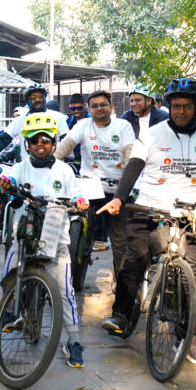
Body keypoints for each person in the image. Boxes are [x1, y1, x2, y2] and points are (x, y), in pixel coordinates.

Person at [97, 77, 196, 367]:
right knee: (135, 258)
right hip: (149, 208)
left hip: (191, 215)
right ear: (169, 107)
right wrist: (119, 198)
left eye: (187, 106)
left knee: (188, 279)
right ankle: (121, 314)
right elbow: (133, 167)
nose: (181, 111)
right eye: (176, 106)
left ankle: (186, 336)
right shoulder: (152, 134)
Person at [0, 113, 89, 367]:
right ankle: (10, 311)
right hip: (24, 235)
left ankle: (73, 340)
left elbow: (77, 194)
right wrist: (5, 182)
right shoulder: (21, 167)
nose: (40, 144)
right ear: (27, 145)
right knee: (9, 274)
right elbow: (9, 178)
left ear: (54, 143)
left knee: (65, 291)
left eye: (46, 140)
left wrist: (79, 201)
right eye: (34, 140)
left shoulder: (65, 170)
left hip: (55, 237)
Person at [53, 90, 134, 281]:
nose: (99, 108)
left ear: (111, 107)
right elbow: (66, 145)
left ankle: (121, 283)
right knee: (72, 225)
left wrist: (129, 183)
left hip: (117, 189)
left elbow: (130, 155)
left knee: (120, 241)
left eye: (103, 105)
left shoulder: (123, 126)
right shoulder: (83, 125)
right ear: (89, 109)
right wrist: (49, 163)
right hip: (90, 186)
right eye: (94, 106)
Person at [0, 83, 70, 155]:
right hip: (28, 165)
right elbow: (3, 139)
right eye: (33, 98)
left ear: (45, 98)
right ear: (27, 101)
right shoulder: (20, 120)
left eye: (40, 97)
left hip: (54, 164)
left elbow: (67, 142)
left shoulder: (59, 117)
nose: (37, 100)